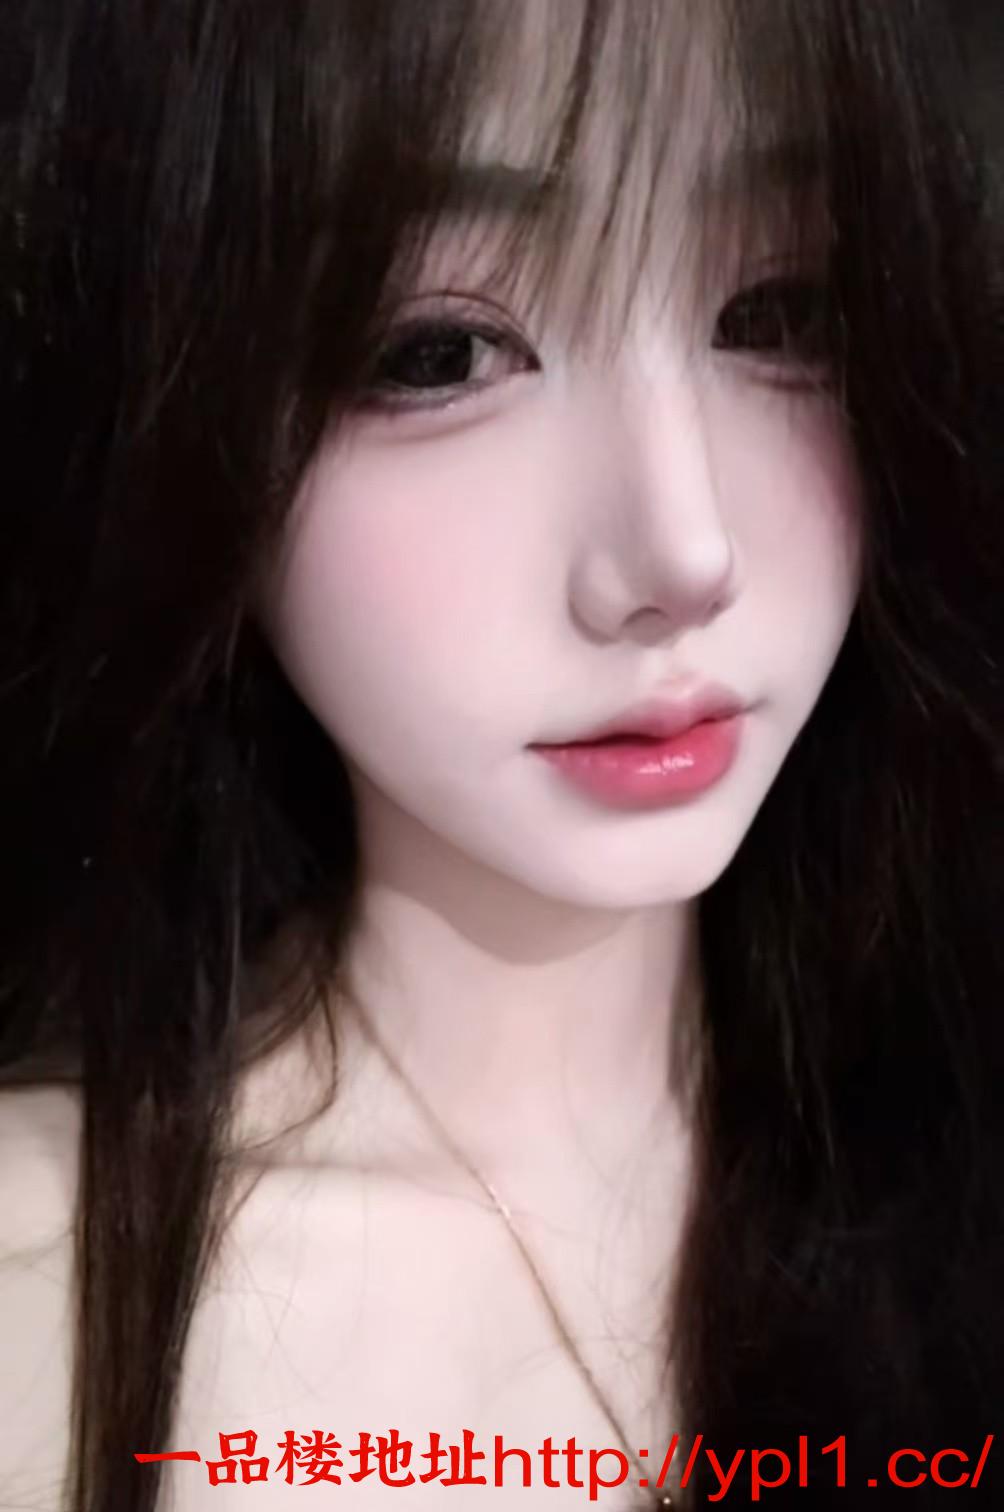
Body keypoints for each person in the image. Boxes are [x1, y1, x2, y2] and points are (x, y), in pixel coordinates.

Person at [0, 2, 1001, 1508]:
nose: (684, 554)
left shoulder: (942, 1144)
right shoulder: (39, 1296)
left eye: (781, 313)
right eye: (440, 350)